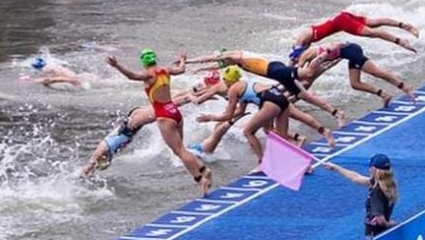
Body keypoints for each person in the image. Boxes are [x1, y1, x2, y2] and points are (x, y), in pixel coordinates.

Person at [105, 49, 212, 193]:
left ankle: (200, 179)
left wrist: (117, 66)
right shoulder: (165, 70)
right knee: (181, 149)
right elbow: (181, 70)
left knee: (179, 151)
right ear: (155, 59)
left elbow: (132, 76)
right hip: (174, 111)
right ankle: (203, 170)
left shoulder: (148, 75)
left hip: (163, 115)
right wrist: (182, 59)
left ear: (143, 62)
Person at [81, 73, 225, 173]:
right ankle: (190, 93)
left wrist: (195, 95)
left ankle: (82, 176)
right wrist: (197, 95)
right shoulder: (111, 147)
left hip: (134, 121)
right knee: (169, 103)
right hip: (135, 120)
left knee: (168, 104)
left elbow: (176, 100)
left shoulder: (109, 147)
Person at [193, 64, 334, 157]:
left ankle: (261, 162)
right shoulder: (244, 84)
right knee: (281, 137)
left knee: (248, 132)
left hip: (270, 102)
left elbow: (229, 114)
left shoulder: (233, 89)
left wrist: (211, 117)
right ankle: (303, 157)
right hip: (279, 97)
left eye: (225, 80)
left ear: (227, 80)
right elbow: (239, 111)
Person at [186, 50, 343, 120]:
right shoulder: (236, 61)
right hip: (274, 68)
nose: (223, 61)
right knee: (304, 94)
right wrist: (200, 68)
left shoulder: (235, 56)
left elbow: (211, 59)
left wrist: (190, 61)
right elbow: (215, 64)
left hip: (274, 70)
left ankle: (327, 53)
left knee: (308, 73)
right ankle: (335, 112)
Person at [301, 42, 415, 106]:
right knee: (358, 82)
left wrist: (330, 52)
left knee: (373, 73)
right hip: (352, 51)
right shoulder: (309, 58)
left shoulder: (307, 55)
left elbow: (337, 44)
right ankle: (385, 94)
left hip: (352, 51)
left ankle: (402, 87)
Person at [287, 10, 418, 61]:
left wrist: (293, 66)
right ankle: (404, 25)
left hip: (342, 23)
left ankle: (400, 41)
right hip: (342, 17)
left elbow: (296, 58)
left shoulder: (301, 40)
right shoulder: (303, 39)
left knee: (371, 33)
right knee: (374, 22)